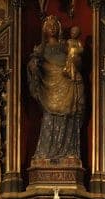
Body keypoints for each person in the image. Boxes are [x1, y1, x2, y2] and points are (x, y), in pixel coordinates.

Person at [27, 14, 85, 164]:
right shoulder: (41, 49)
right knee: (49, 119)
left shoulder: (66, 46)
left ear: (59, 29)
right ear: (44, 30)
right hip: (50, 90)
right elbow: (34, 65)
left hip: (67, 85)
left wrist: (73, 59)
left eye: (54, 26)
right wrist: (33, 67)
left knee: (68, 118)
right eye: (49, 26)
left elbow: (77, 63)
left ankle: (68, 153)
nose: (52, 28)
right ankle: (45, 155)